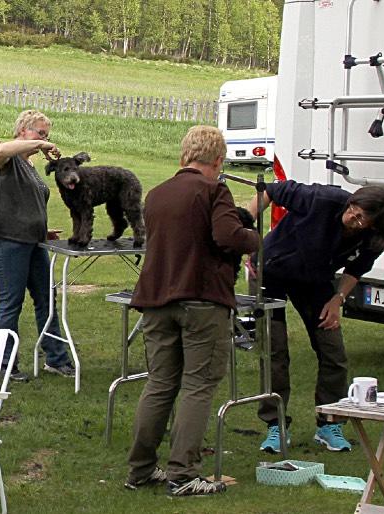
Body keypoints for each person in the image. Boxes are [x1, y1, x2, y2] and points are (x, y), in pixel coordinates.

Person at [124, 126, 258, 497]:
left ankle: (140, 469)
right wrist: (254, 240)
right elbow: (227, 236)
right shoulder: (214, 189)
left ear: (184, 156)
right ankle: (183, 473)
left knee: (160, 383)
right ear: (218, 161)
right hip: (201, 299)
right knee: (198, 385)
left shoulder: (158, 193)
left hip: (156, 299)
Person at [247, 181, 384, 453]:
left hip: (316, 281)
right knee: (274, 352)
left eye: (362, 218)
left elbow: (356, 269)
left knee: (333, 352)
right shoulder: (322, 199)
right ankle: (275, 425)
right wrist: (248, 236)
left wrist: (337, 300)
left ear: (374, 226)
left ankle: (329, 423)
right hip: (271, 271)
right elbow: (269, 190)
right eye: (354, 208)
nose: (353, 216)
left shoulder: (376, 239)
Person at [0, 110, 74, 382]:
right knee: (11, 302)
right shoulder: (6, 158)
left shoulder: (31, 167)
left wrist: (42, 230)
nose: (45, 139)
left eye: (47, 135)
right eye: (39, 133)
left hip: (33, 240)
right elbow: (2, 148)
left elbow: (22, 203)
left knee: (47, 297)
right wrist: (41, 145)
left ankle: (56, 359)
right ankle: (4, 365)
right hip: (6, 240)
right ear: (23, 130)